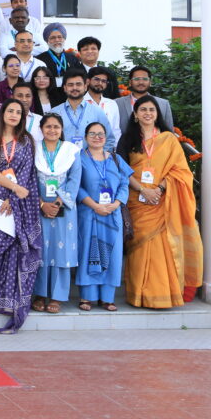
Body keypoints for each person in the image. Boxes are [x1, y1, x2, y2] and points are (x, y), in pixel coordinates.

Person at [118, 95, 201, 309]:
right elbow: (121, 170)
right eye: (143, 109)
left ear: (157, 114)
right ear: (135, 114)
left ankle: (162, 294)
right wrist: (143, 189)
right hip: (137, 199)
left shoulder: (169, 139)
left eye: (151, 110)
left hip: (163, 200)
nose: (147, 113)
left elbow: (180, 171)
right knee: (140, 249)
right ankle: (139, 295)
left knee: (162, 248)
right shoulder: (127, 139)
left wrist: (159, 189)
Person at [0, 98, 41, 333]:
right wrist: (13, 189)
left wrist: (14, 197)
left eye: (18, 112)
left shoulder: (26, 141)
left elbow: (26, 174)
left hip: (17, 201)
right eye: (10, 111)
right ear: (2, 113)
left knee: (15, 248)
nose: (14, 115)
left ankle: (11, 299)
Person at [76, 121, 133, 312]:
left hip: (112, 214)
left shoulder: (116, 159)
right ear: (85, 137)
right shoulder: (79, 158)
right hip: (89, 213)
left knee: (113, 255)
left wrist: (116, 204)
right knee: (88, 252)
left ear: (106, 137)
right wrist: (94, 205)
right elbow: (75, 185)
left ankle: (108, 298)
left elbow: (125, 184)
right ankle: (87, 296)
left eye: (100, 134)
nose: (97, 137)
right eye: (92, 134)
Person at [29, 113, 82, 314]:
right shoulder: (33, 149)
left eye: (56, 127)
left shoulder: (71, 151)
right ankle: (40, 294)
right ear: (41, 129)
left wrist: (58, 203)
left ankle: (57, 296)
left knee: (62, 251)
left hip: (64, 209)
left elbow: (74, 180)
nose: (52, 130)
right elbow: (28, 179)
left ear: (62, 130)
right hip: (39, 208)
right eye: (48, 126)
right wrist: (42, 204)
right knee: (41, 250)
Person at [55, 69, 115, 151]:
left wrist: (97, 157)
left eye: (78, 84)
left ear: (85, 87)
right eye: (70, 85)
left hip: (90, 158)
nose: (74, 88)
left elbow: (109, 139)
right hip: (63, 158)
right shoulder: (55, 113)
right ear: (65, 88)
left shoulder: (97, 112)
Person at [115, 65, 176, 131]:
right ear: (130, 82)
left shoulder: (163, 104)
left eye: (145, 79)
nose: (141, 82)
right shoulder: (117, 103)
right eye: (136, 79)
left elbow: (169, 132)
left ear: (150, 82)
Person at [85, 66, 122, 145]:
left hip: (107, 149)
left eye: (104, 81)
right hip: (85, 148)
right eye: (97, 79)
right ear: (88, 81)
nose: (100, 83)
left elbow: (116, 131)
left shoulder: (111, 104)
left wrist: (114, 149)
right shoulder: (80, 102)